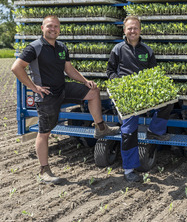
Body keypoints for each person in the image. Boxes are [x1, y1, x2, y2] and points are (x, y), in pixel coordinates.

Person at [11, 15, 119, 184]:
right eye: (49, 26)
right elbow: (16, 67)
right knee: (44, 133)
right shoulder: (34, 47)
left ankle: (101, 127)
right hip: (46, 95)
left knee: (93, 91)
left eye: (56, 26)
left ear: (59, 29)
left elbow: (69, 69)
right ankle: (44, 170)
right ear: (42, 28)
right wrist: (33, 87)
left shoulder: (61, 47)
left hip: (62, 88)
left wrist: (85, 81)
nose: (53, 29)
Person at [107, 15, 173, 182]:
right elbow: (110, 71)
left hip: (144, 91)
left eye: (135, 28)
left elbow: (154, 73)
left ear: (140, 30)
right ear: (124, 30)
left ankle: (154, 131)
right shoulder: (118, 49)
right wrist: (120, 84)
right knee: (128, 130)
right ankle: (129, 170)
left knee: (169, 101)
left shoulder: (147, 50)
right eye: (129, 28)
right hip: (126, 93)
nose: (132, 31)